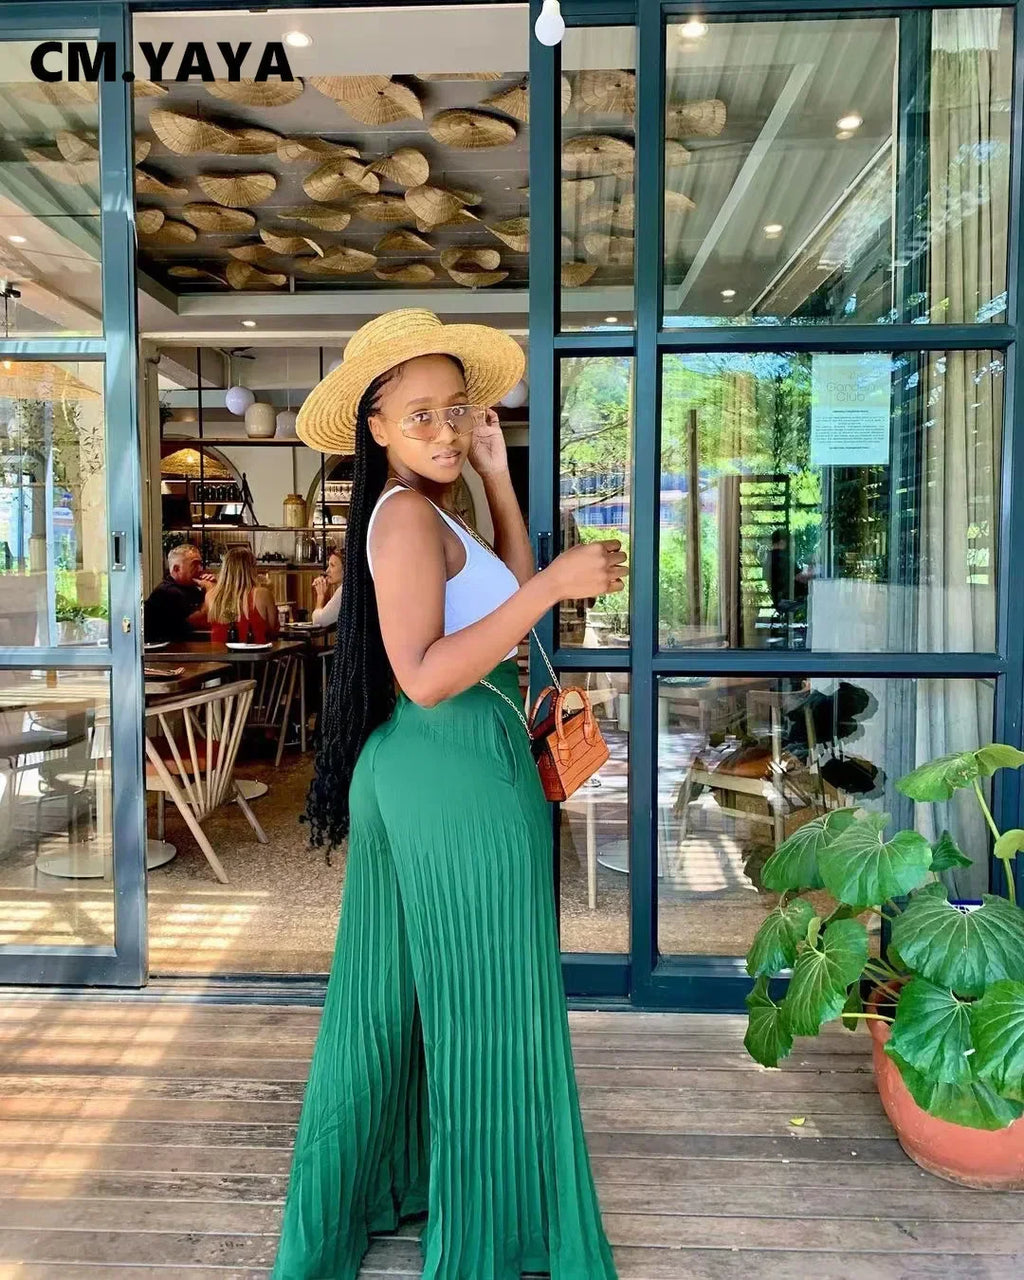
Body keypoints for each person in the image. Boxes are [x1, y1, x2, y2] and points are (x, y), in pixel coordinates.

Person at [271, 309, 626, 1280]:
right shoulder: (400, 519)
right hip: (450, 764)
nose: (440, 428)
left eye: (454, 410)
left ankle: (363, 1202)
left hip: (442, 766)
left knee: (387, 1003)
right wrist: (551, 581)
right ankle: (488, 1238)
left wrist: (499, 475)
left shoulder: (434, 510)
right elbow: (424, 671)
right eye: (418, 413)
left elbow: (500, 598)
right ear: (375, 426)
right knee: (487, 1007)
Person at [205, 545, 279, 644]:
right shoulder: (262, 594)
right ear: (251, 568)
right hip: (255, 657)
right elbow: (273, 632)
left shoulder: (210, 595)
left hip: (218, 658)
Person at [143, 543, 214, 642]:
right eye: (194, 565)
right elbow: (196, 622)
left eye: (200, 564)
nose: (200, 569)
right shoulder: (167, 592)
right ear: (176, 569)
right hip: (168, 651)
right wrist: (210, 592)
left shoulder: (192, 589)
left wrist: (216, 587)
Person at [310, 547, 342, 627]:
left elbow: (319, 621)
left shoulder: (345, 590)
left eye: (332, 566)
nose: (327, 571)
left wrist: (320, 596)